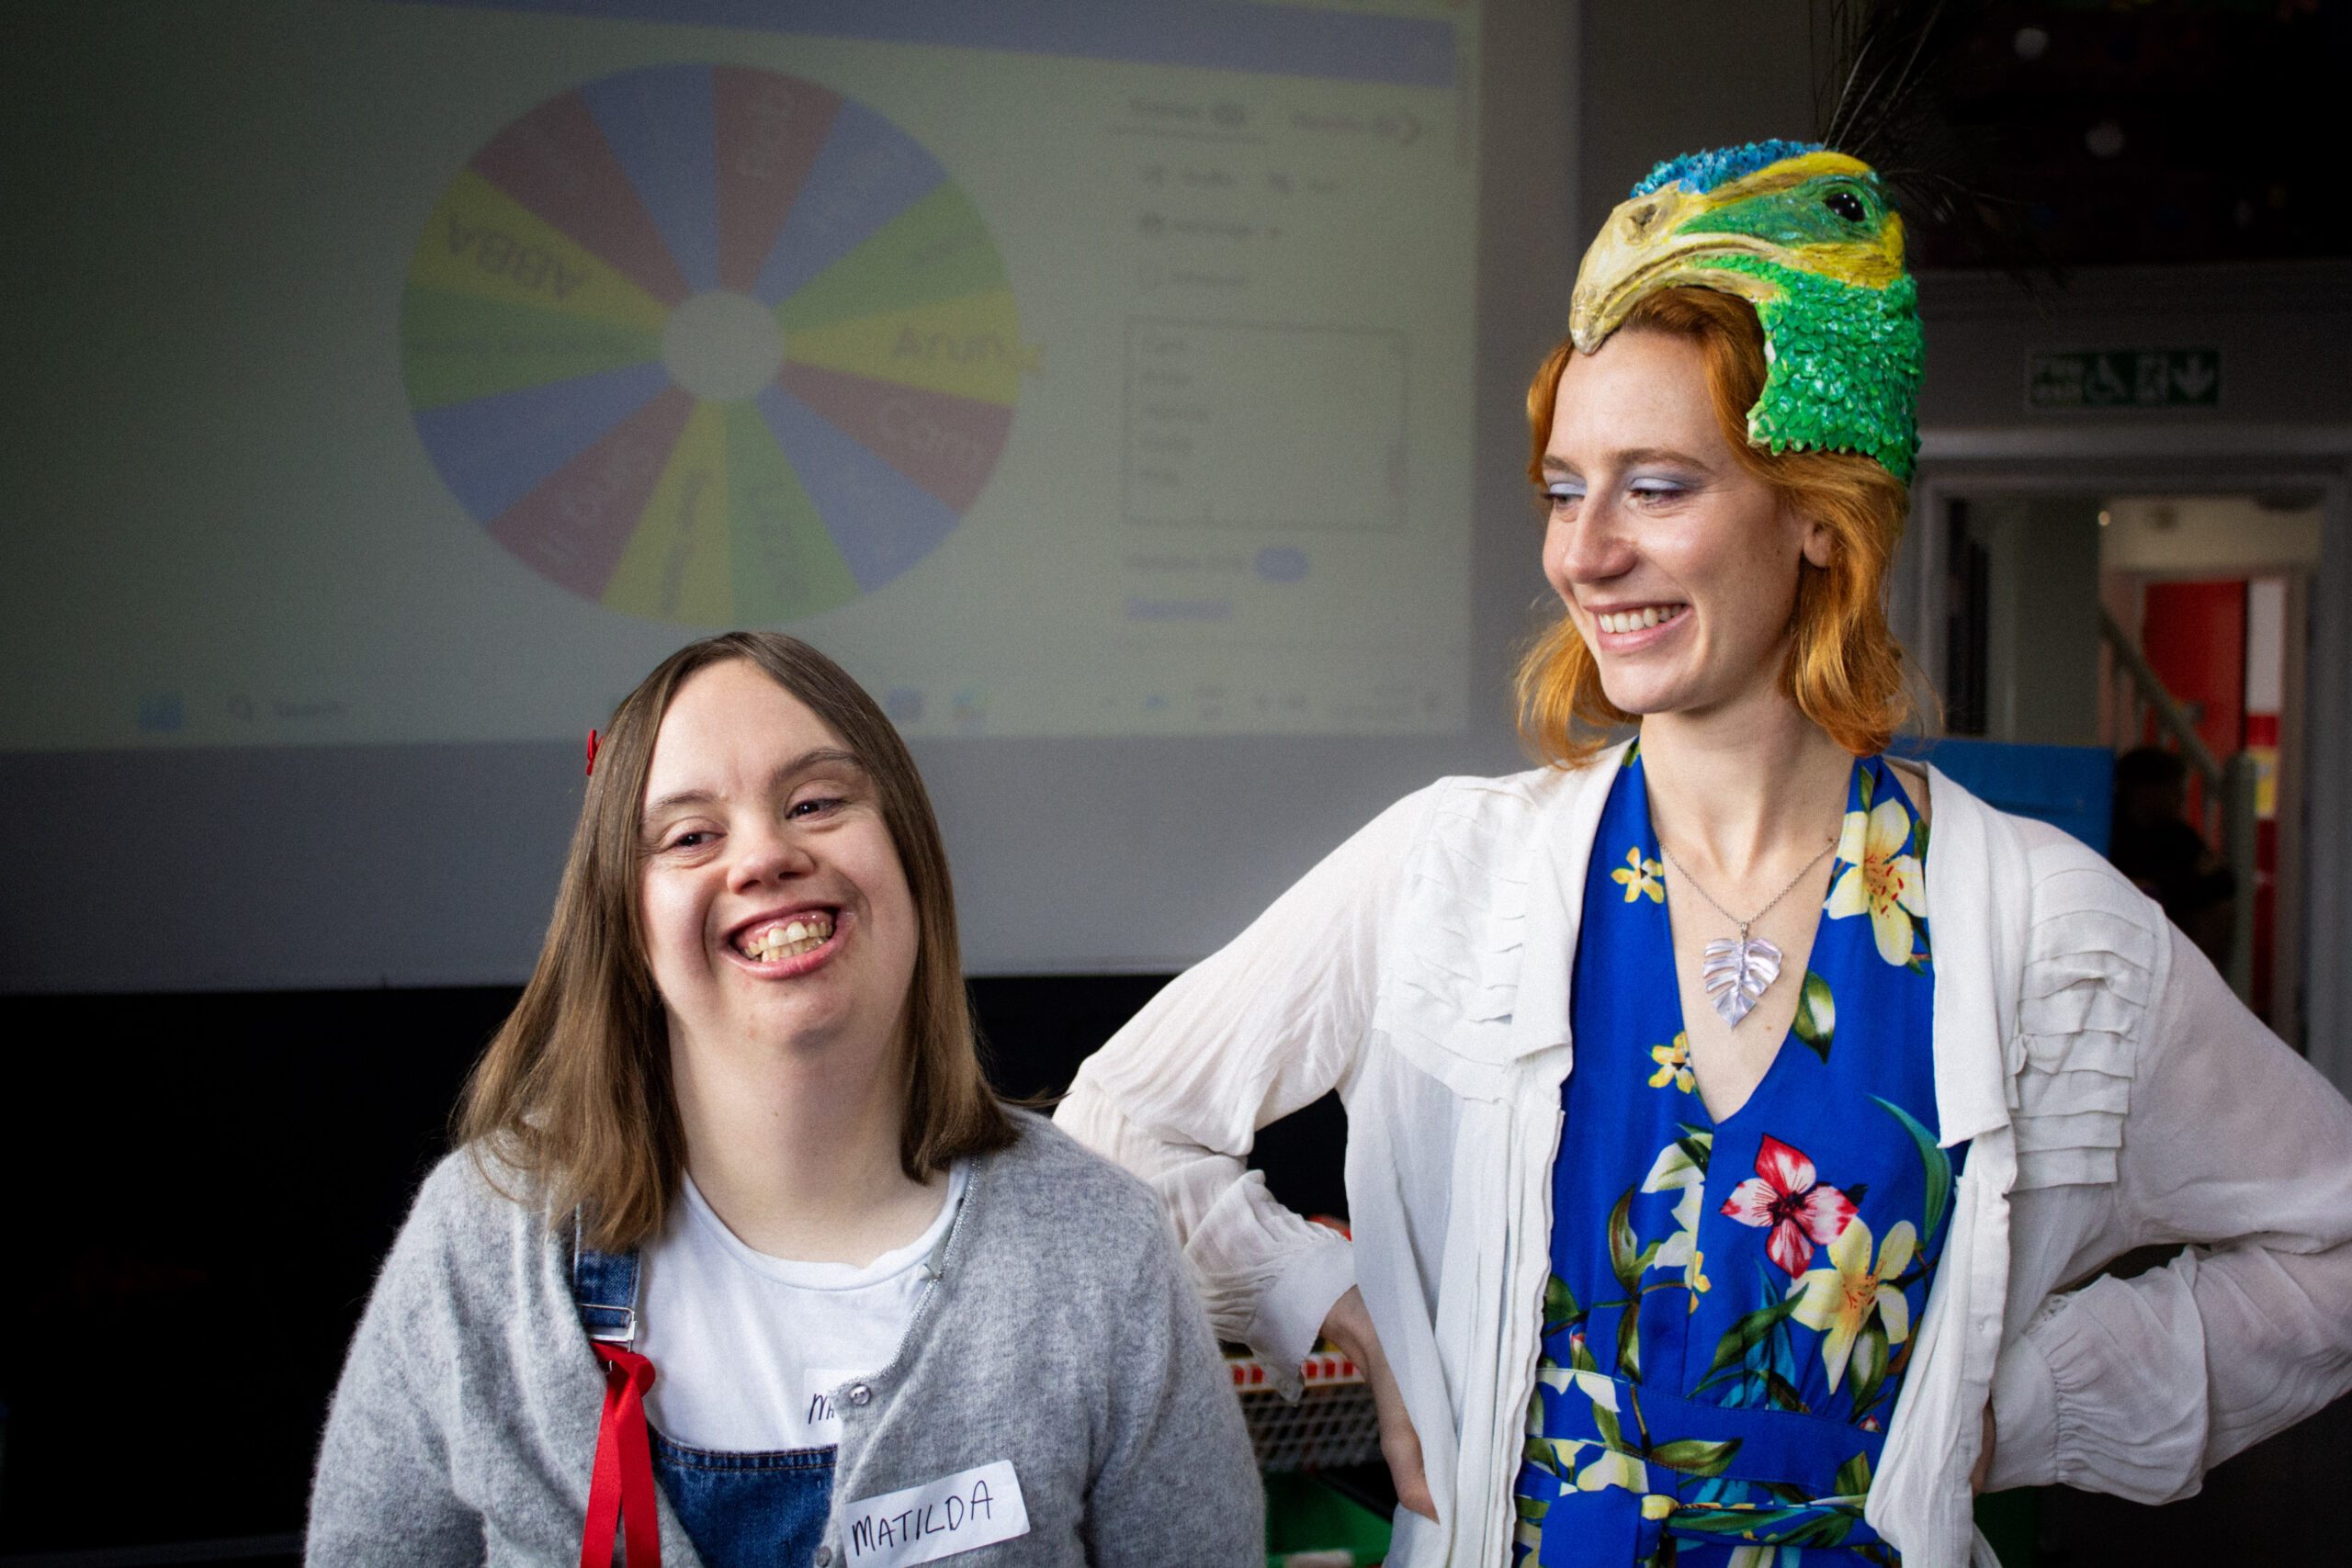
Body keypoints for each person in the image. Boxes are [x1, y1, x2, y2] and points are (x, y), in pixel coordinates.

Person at [1057, 142, 2352, 1568]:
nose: (1585, 553)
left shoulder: (2037, 923)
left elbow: (2331, 1240)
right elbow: (1123, 1119)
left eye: (1657, 487)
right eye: (1565, 489)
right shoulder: (1451, 868)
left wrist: (2021, 1404)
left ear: (1816, 513)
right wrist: (1333, 1294)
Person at [310, 632, 1260, 1568]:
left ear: (911, 857)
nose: (763, 856)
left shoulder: (1102, 1247)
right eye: (691, 835)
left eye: (814, 801)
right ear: (625, 922)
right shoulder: (486, 1239)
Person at [2108, 745, 2236, 966]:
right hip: (2123, 918)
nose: (2181, 796)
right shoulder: (2110, 827)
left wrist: (2165, 887)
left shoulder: (2177, 834)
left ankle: (2197, 980)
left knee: (2220, 911)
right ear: (2144, 790)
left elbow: (2223, 882)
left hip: (2171, 918)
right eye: (2172, 788)